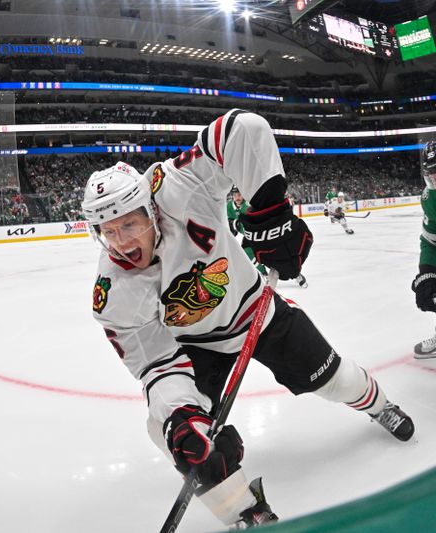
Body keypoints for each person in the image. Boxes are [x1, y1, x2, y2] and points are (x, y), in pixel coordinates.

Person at [82, 109, 414, 530]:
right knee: (175, 435)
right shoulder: (113, 291)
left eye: (129, 224)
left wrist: (271, 214)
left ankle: (381, 405)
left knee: (335, 380)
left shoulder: (177, 187)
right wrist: (181, 413)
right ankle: (245, 510)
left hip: (256, 310)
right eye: (108, 232)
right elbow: (155, 363)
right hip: (196, 345)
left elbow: (242, 129)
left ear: (150, 208)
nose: (121, 242)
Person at [228, 187, 307, 288]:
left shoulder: (250, 204)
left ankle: (295, 274)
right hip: (249, 237)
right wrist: (232, 225)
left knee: (278, 254)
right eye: (235, 195)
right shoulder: (229, 206)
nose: (237, 197)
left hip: (262, 234)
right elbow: (229, 221)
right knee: (248, 254)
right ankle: (264, 275)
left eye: (239, 194)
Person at [411, 140, 436, 358]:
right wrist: (426, 270)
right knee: (432, 293)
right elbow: (429, 238)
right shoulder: (429, 197)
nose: (434, 177)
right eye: (432, 172)